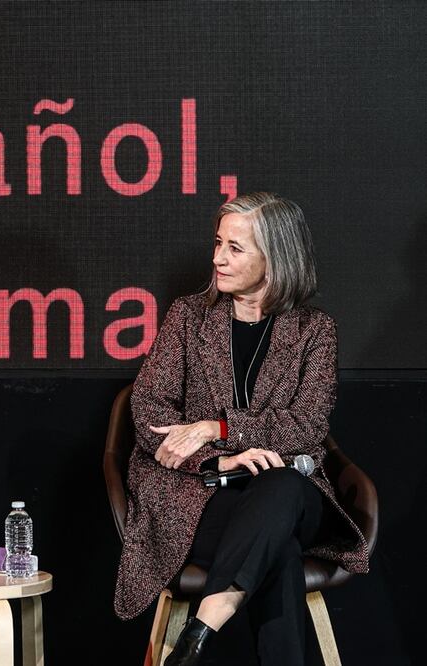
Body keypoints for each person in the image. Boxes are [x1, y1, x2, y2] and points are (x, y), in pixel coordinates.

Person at [113, 192, 370, 665]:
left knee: (281, 485)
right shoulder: (187, 318)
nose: (217, 258)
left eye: (235, 248)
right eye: (217, 243)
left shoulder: (315, 330)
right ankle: (207, 627)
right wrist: (218, 460)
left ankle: (205, 619)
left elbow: (308, 425)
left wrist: (217, 427)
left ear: (276, 258)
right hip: (202, 498)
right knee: (279, 552)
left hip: (289, 494)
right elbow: (149, 411)